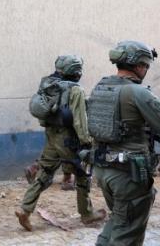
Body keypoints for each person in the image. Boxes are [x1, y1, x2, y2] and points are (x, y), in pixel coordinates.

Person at [89, 41, 160, 246]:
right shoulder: (138, 93)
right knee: (128, 235)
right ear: (138, 65)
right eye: (146, 65)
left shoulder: (102, 87)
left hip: (103, 169)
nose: (146, 69)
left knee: (119, 219)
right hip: (128, 175)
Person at [16, 55, 106, 231]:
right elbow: (80, 121)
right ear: (76, 71)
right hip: (69, 139)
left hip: (51, 134)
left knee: (45, 172)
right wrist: (86, 141)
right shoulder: (76, 90)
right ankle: (87, 214)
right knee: (82, 174)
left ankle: (25, 209)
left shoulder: (49, 84)